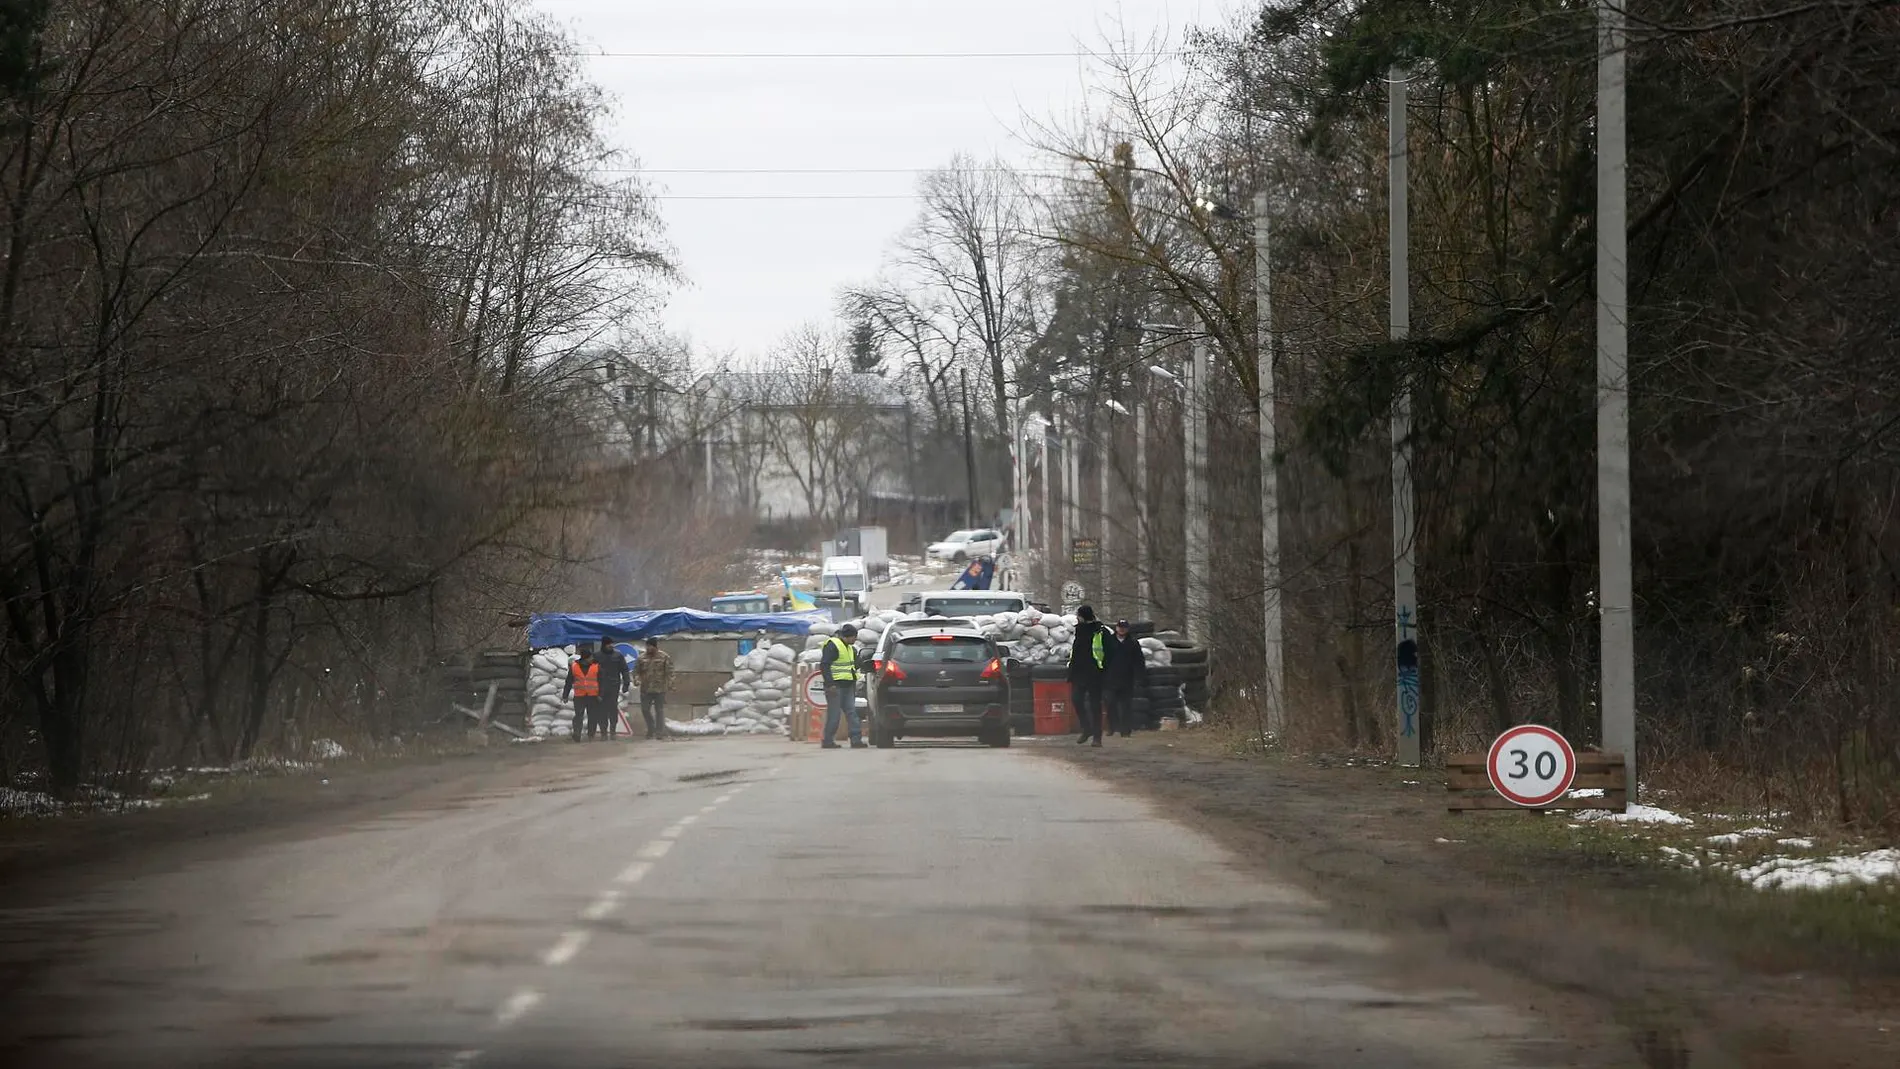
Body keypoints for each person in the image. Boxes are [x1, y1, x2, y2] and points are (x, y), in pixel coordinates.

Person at [1068, 605, 1111, 747]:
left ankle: (1097, 737)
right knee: (1076, 699)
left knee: (1095, 705)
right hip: (1079, 673)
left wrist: (1106, 671)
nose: (1076, 618)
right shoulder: (1079, 630)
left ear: (1083, 616)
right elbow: (1076, 652)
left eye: (1078, 615)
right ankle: (1087, 728)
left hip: (1095, 672)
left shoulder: (1100, 631)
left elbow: (1109, 652)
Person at [818, 624, 866, 749]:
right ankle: (828, 741)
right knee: (835, 715)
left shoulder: (851, 648)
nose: (855, 640)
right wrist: (830, 684)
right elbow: (824, 665)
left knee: (852, 713)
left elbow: (854, 664)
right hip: (835, 686)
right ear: (848, 636)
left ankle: (856, 740)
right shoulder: (832, 645)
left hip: (848, 685)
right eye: (854, 637)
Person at [1102, 619, 1148, 738]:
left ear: (1127, 629)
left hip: (1127, 679)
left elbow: (1139, 661)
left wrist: (1139, 678)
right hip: (1110, 679)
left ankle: (1125, 730)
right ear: (1116, 628)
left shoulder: (1133, 643)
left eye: (1124, 627)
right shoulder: (1108, 641)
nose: (1122, 629)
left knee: (1126, 706)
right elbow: (1102, 659)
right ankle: (1112, 728)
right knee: (1110, 703)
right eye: (1120, 627)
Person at [632, 637, 676, 740]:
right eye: (647, 646)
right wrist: (636, 680)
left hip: (659, 689)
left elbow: (670, 672)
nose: (648, 648)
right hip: (645, 689)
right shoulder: (641, 658)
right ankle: (651, 728)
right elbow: (636, 672)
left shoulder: (664, 657)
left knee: (659, 710)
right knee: (645, 710)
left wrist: (671, 684)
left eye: (650, 646)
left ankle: (659, 732)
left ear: (655, 646)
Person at [561, 645, 603, 742]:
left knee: (592, 716)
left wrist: (600, 694)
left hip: (593, 696)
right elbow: (568, 682)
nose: (592, 659)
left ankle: (591, 735)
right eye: (590, 657)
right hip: (579, 696)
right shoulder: (574, 667)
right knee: (578, 715)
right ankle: (577, 734)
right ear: (585, 658)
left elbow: (601, 681)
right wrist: (565, 695)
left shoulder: (596, 667)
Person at [596, 642, 632, 740]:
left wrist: (626, 684)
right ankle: (604, 733)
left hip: (614, 686)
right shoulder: (597, 655)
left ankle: (613, 731)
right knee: (602, 711)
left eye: (611, 644)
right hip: (600, 687)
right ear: (603, 645)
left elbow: (624, 670)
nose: (610, 645)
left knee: (612, 709)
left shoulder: (618, 655)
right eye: (608, 644)